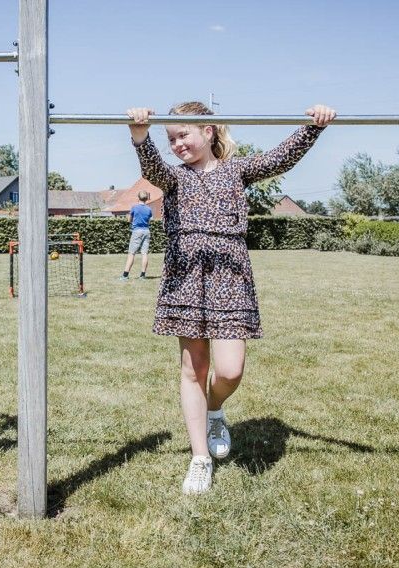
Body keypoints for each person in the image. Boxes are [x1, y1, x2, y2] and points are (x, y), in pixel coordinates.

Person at [126, 101, 336, 494]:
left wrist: (314, 126)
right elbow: (153, 169)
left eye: (183, 135)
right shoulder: (174, 178)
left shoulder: (236, 170)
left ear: (208, 132)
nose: (177, 144)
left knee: (230, 370)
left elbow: (280, 159)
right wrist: (141, 136)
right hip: (186, 276)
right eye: (171, 139)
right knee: (194, 369)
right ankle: (199, 458)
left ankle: (215, 409)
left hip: (230, 276)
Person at [120, 190, 153, 280]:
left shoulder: (134, 207)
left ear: (138, 198)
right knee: (144, 253)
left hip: (137, 231)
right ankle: (142, 275)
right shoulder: (149, 209)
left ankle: (125, 275)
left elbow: (129, 220)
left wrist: (129, 218)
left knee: (131, 253)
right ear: (147, 198)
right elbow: (148, 221)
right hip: (146, 231)